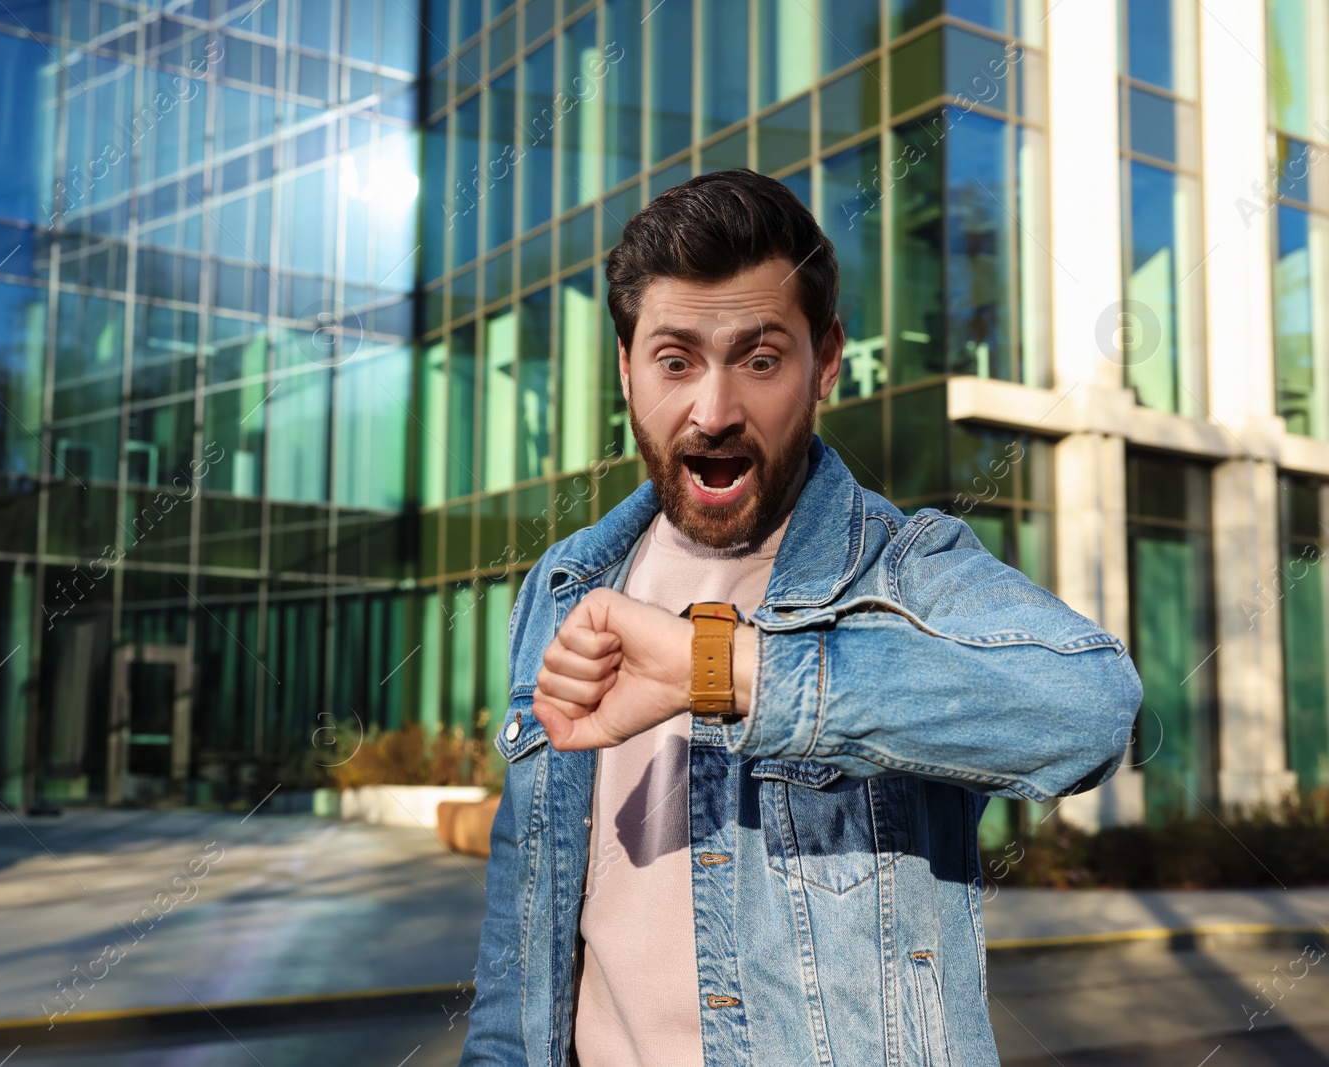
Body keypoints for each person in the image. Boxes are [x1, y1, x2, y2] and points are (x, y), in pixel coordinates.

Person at [458, 169, 1142, 1067]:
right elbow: (523, 946)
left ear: (825, 362)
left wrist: (730, 670)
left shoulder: (903, 571)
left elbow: (1091, 708)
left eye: (760, 358)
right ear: (626, 370)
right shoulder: (564, 585)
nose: (713, 411)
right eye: (675, 361)